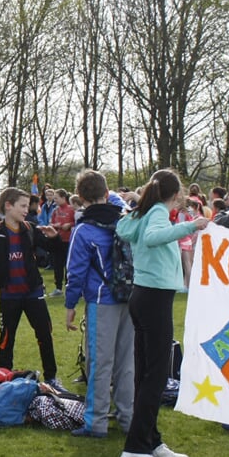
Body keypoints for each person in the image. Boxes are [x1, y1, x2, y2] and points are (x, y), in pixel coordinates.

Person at [115, 170, 210, 457]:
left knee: (146, 374)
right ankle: (135, 448)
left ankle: (151, 441)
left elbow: (123, 228)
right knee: (155, 376)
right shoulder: (157, 212)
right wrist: (189, 226)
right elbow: (154, 237)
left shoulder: (146, 212)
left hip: (144, 297)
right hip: (153, 298)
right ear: (175, 194)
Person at [63, 169, 134, 439]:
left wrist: (70, 305)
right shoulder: (125, 222)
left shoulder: (84, 230)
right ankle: (128, 418)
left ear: (80, 197)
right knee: (126, 362)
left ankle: (96, 422)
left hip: (102, 300)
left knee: (99, 363)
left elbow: (76, 271)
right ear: (107, 193)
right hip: (129, 297)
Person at [0, 188, 63, 388]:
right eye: (22, 206)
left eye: (27, 206)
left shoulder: (30, 228)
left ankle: (52, 377)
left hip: (33, 292)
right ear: (8, 206)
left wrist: (54, 238)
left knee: (45, 334)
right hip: (9, 296)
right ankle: (4, 379)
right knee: (6, 338)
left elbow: (53, 250)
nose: (26, 210)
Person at [49, 189, 76, 293]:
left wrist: (69, 225)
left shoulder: (71, 209)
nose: (54, 200)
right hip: (57, 240)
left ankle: (68, 286)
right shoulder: (55, 210)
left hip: (68, 240)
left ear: (63, 198)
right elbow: (51, 222)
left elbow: (76, 222)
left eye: (56, 198)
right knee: (57, 264)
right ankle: (58, 287)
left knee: (68, 264)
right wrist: (55, 226)